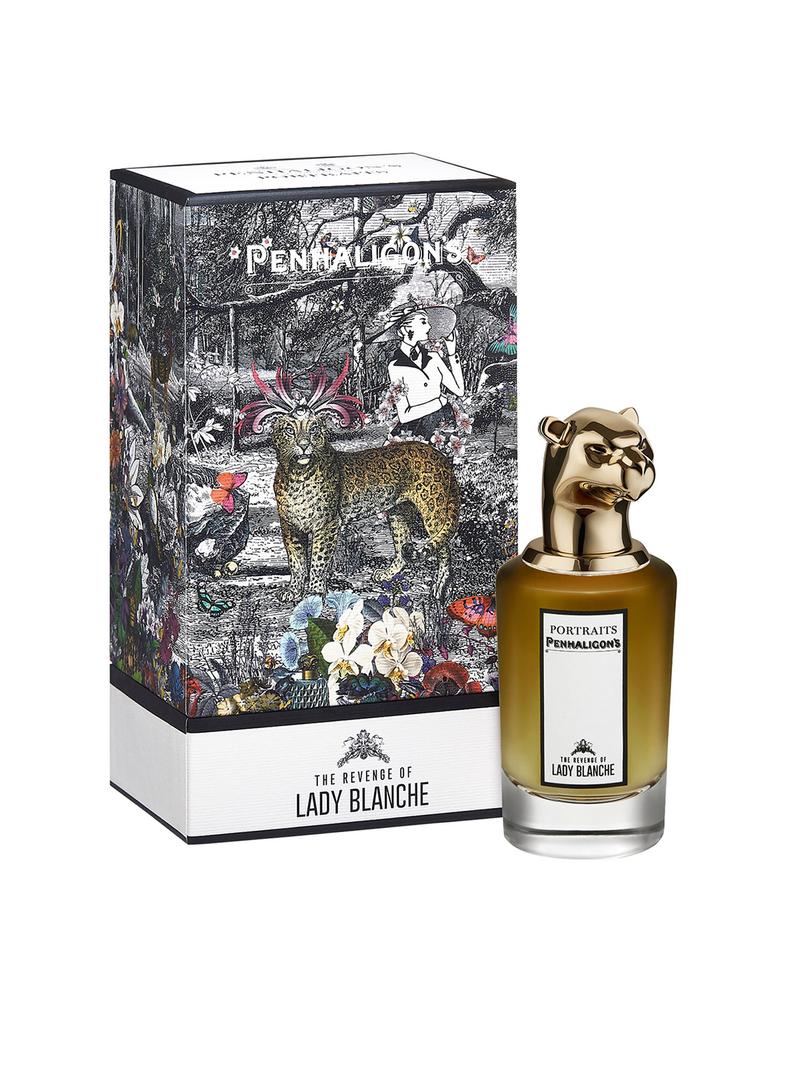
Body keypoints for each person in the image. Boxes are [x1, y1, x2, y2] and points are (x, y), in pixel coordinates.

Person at [374, 301, 465, 439]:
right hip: (416, 428)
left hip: (443, 422)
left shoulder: (433, 357)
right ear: (405, 329)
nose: (429, 327)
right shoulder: (396, 366)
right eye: (423, 322)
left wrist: (452, 352)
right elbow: (404, 415)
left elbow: (459, 390)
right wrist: (440, 401)